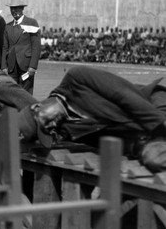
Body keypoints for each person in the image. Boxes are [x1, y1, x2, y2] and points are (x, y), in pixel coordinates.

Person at [18, 66, 166, 172]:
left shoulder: (76, 79)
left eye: (44, 122)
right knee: (153, 158)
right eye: (47, 131)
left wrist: (161, 123)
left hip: (152, 106)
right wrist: (139, 148)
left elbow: (125, 96)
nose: (51, 126)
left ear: (37, 107)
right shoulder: (67, 130)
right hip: (143, 136)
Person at [1, 0, 41, 94]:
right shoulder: (8, 26)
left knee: (26, 94)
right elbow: (5, 47)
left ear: (22, 8)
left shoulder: (32, 22)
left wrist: (33, 66)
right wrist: (3, 67)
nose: (14, 10)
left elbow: (36, 46)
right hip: (11, 67)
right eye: (12, 8)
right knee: (11, 94)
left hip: (26, 66)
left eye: (17, 8)